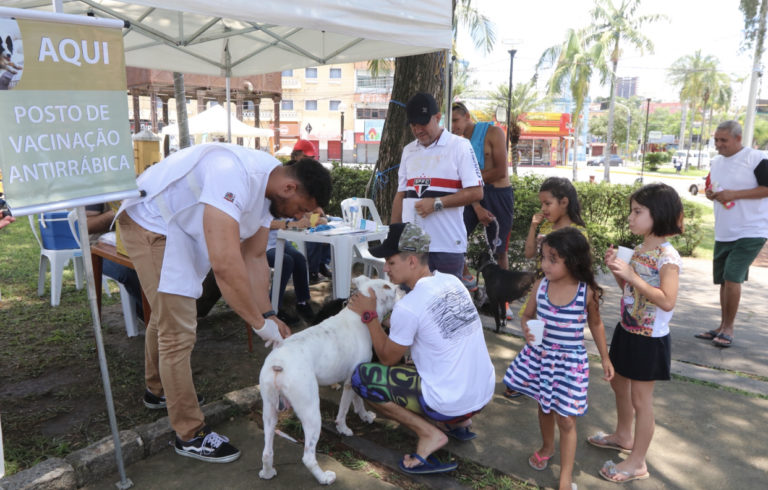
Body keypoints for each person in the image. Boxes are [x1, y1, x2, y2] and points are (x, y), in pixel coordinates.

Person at [116, 143, 331, 463]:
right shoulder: (233, 174)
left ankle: (157, 390)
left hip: (178, 228)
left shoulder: (269, 188)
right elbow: (226, 265)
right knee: (179, 328)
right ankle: (189, 433)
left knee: (168, 317)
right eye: (301, 208)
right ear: (290, 187)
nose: (300, 217)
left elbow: (255, 257)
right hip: (152, 223)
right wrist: (259, 326)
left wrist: (268, 312)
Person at [347, 222, 495, 475]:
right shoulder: (453, 282)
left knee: (362, 379)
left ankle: (429, 434)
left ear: (412, 261)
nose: (385, 269)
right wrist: (384, 319)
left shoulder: (410, 305)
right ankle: (459, 423)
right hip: (481, 393)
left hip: (450, 401)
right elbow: (425, 324)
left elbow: (387, 359)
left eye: (391, 262)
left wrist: (369, 315)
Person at [503, 227, 613, 490]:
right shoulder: (541, 286)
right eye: (543, 258)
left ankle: (565, 477)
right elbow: (527, 315)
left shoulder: (586, 292)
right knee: (544, 406)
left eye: (553, 259)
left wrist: (606, 358)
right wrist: (527, 328)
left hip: (571, 365)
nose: (545, 265)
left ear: (572, 260)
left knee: (566, 418)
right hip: (542, 358)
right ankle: (546, 446)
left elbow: (596, 325)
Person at [589, 183, 683, 483]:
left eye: (637, 212)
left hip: (650, 339)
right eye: (632, 211)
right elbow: (632, 292)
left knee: (642, 401)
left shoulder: (667, 257)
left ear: (659, 214)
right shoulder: (641, 249)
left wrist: (631, 276)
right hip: (628, 329)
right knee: (618, 383)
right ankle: (623, 436)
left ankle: (638, 462)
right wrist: (621, 274)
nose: (631, 217)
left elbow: (667, 300)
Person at [391, 93, 483, 278]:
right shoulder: (408, 150)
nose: (418, 130)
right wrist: (393, 238)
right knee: (410, 302)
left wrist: (436, 203)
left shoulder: (460, 146)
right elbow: (401, 195)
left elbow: (477, 192)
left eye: (422, 123)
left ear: (438, 118)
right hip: (412, 248)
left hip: (446, 247)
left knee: (444, 306)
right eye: (413, 125)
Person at [694, 120, 768, 348]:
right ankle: (721, 325)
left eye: (723, 140)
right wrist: (710, 193)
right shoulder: (716, 161)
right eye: (716, 139)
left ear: (738, 139)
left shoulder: (756, 158)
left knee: (732, 275)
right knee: (725, 281)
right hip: (724, 230)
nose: (718, 144)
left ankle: (729, 329)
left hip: (752, 229)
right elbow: (712, 185)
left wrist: (733, 194)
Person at [451, 101, 515, 288]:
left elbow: (500, 171)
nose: (453, 126)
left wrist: (471, 183)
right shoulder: (456, 144)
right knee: (454, 238)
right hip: (472, 195)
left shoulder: (494, 133)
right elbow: (462, 181)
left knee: (500, 251)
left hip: (498, 194)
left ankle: (502, 299)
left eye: (456, 120)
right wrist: (476, 205)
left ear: (467, 117)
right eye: (450, 122)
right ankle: (469, 282)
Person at [85, 203, 144, 321]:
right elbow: (88, 225)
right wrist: (119, 211)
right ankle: (150, 316)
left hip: (142, 240)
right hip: (101, 248)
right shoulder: (98, 187)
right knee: (132, 269)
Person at [266, 215, 316, 324]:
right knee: (285, 261)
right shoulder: (259, 200)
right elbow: (261, 223)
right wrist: (290, 224)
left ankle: (302, 303)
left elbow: (295, 218)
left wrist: (311, 220)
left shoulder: (280, 201)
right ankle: (272, 310)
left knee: (299, 258)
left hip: (281, 240)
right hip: (262, 245)